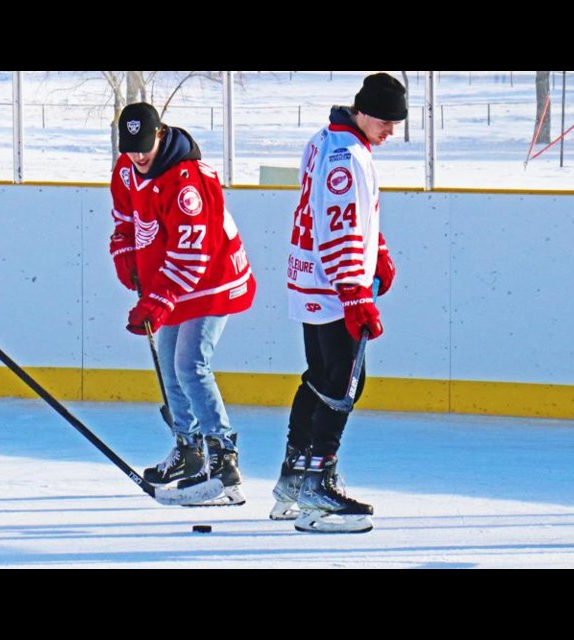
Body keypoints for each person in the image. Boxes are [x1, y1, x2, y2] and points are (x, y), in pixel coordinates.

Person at [270, 73, 404, 533]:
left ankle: (295, 474)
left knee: (321, 377)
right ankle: (316, 483)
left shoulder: (326, 139)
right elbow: (341, 227)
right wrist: (355, 293)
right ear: (363, 112)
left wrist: (378, 250)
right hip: (333, 288)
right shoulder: (348, 156)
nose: (391, 131)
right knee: (344, 383)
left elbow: (348, 214)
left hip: (311, 280)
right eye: (386, 121)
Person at [109, 102, 255, 506]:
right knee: (172, 367)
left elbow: (194, 257)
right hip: (169, 281)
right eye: (130, 147)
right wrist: (123, 248)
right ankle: (189, 450)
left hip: (212, 280)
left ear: (160, 134)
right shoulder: (126, 167)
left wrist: (157, 300)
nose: (138, 156)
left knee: (190, 364)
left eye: (144, 146)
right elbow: (124, 216)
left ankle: (223, 459)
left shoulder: (189, 183)